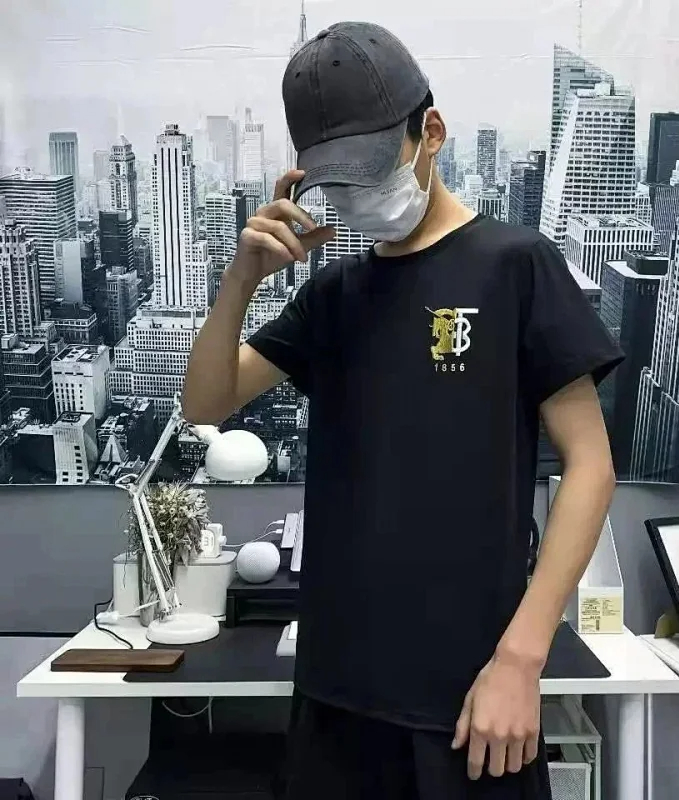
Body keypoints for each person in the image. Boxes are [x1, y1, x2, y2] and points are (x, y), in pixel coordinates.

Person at [182, 20, 624, 800]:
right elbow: (206, 400)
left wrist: (521, 660)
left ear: (432, 134)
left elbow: (591, 466)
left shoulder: (515, 265)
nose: (356, 197)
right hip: (334, 697)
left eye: (371, 170)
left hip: (471, 699)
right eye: (336, 182)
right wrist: (239, 280)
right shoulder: (335, 295)